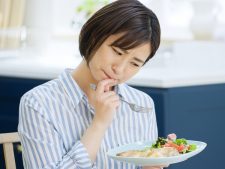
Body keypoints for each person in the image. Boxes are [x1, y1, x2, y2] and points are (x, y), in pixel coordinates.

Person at [18, 0, 165, 168]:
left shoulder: (141, 104)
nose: (119, 69)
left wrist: (157, 159)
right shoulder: (38, 103)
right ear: (95, 35)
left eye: (135, 63)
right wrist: (99, 123)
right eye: (117, 51)